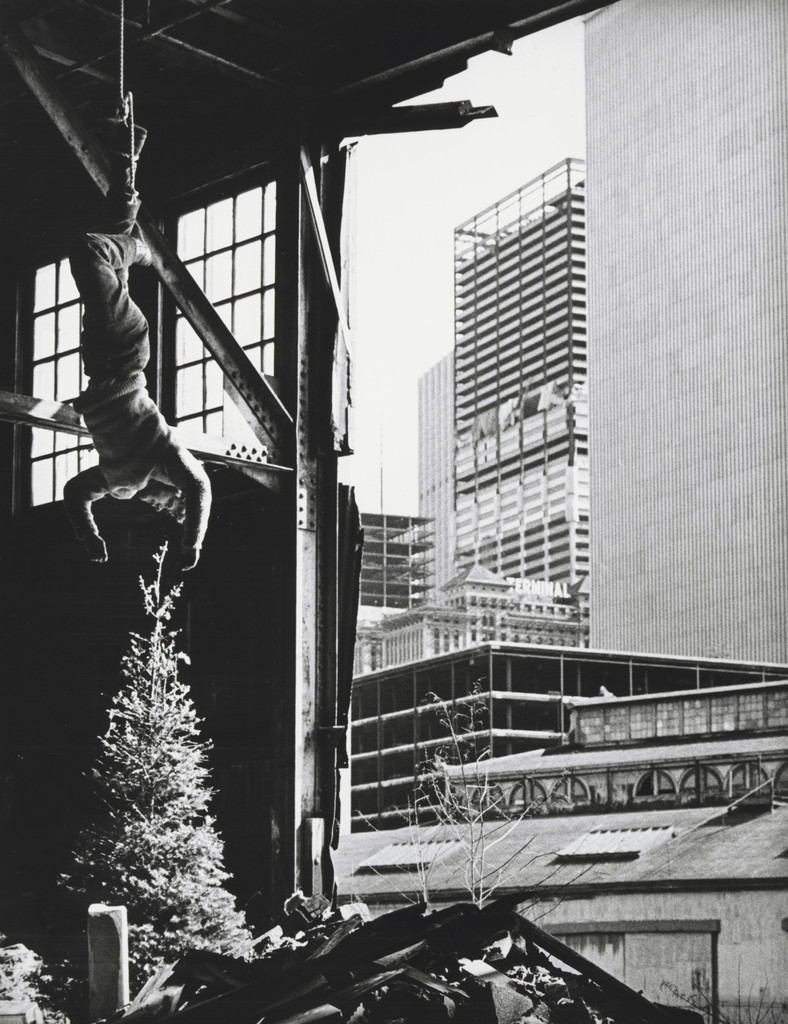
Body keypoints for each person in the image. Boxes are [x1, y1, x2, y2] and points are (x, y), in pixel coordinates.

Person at [63, 115, 211, 571]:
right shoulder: (164, 453)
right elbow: (200, 487)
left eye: (169, 514)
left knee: (112, 252)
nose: (166, 507)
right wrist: (192, 541)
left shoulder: (120, 483)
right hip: (126, 356)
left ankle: (127, 154)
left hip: (99, 366)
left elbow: (74, 493)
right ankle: (142, 249)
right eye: (172, 505)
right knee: (93, 252)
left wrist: (90, 536)